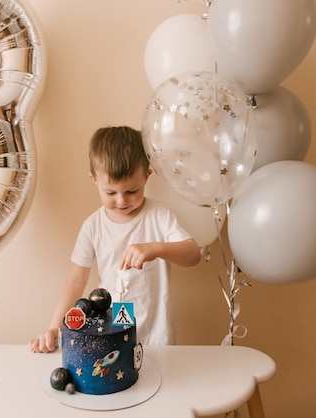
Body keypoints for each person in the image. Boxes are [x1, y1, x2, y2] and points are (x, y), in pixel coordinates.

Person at [29, 126, 200, 353]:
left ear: (147, 177)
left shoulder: (159, 215)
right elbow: (76, 280)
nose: (121, 201)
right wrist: (54, 327)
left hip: (157, 339)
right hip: (111, 337)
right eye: (110, 193)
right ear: (94, 180)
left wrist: (156, 248)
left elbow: (193, 254)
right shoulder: (93, 226)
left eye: (132, 191)